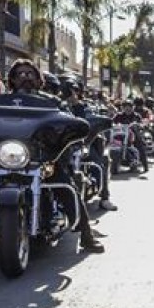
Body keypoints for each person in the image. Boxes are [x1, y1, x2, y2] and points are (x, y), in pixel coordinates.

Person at [3, 59, 104, 252]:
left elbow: (67, 120)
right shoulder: (3, 101)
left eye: (30, 73)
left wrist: (73, 127)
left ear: (38, 78)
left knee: (67, 185)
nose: (25, 77)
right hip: (8, 156)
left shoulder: (52, 102)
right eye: (20, 74)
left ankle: (86, 235)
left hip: (43, 157)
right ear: (13, 79)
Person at [60, 77, 117, 211]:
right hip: (60, 146)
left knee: (98, 164)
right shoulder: (57, 106)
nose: (70, 94)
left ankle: (105, 198)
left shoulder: (85, 107)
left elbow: (93, 120)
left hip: (81, 145)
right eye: (67, 91)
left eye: (73, 90)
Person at [113, 98, 150, 172]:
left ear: (132, 107)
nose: (127, 108)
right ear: (123, 108)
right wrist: (114, 125)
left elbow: (142, 123)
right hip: (121, 136)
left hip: (133, 136)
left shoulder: (136, 116)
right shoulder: (118, 116)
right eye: (125, 106)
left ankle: (145, 166)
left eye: (129, 106)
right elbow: (112, 122)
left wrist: (140, 125)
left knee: (140, 144)